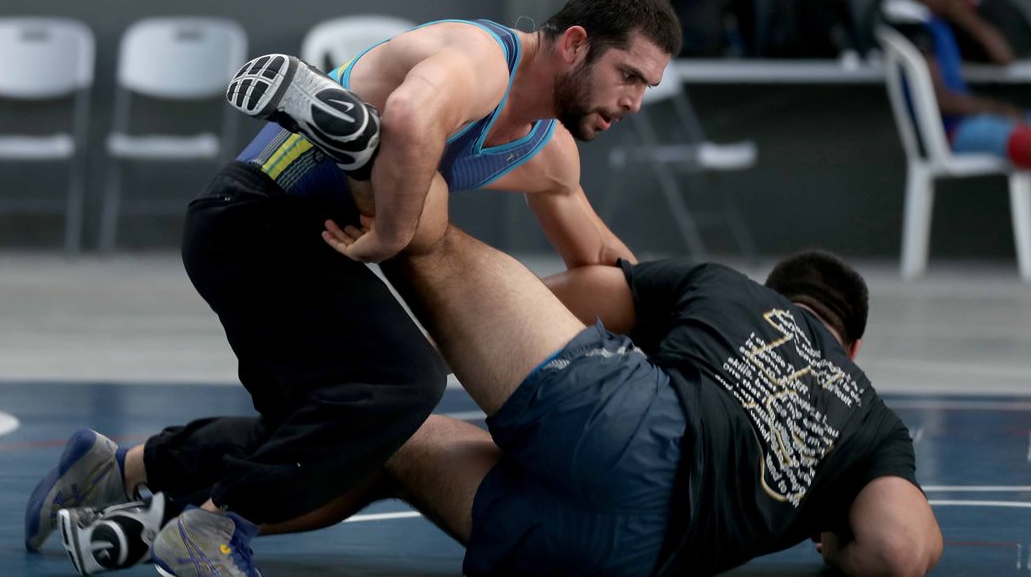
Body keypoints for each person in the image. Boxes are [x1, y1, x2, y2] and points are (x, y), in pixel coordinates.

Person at [24, 0, 683, 576]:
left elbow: (606, 268)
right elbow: (411, 113)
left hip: (289, 240)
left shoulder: (551, 155)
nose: (635, 102)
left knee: (330, 429)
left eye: (647, 87)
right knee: (403, 381)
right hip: (255, 214)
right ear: (573, 43)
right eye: (629, 75)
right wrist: (395, 230)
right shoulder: (484, 56)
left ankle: (115, 469)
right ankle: (211, 526)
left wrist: (682, 336)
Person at [320, 175, 944, 576]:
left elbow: (596, 285)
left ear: (771, 296)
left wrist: (451, 339)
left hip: (629, 429)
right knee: (403, 448)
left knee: (432, 262)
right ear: (853, 347)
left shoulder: (728, 289)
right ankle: (216, 524)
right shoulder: (873, 424)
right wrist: (833, 537)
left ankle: (369, 149)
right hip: (624, 554)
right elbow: (900, 551)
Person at [880, 0, 1031, 167]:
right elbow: (940, 99)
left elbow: (1004, 58)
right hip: (953, 130)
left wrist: (965, 17)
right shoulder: (912, 29)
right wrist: (1000, 109)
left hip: (975, 121)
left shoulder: (938, 24)